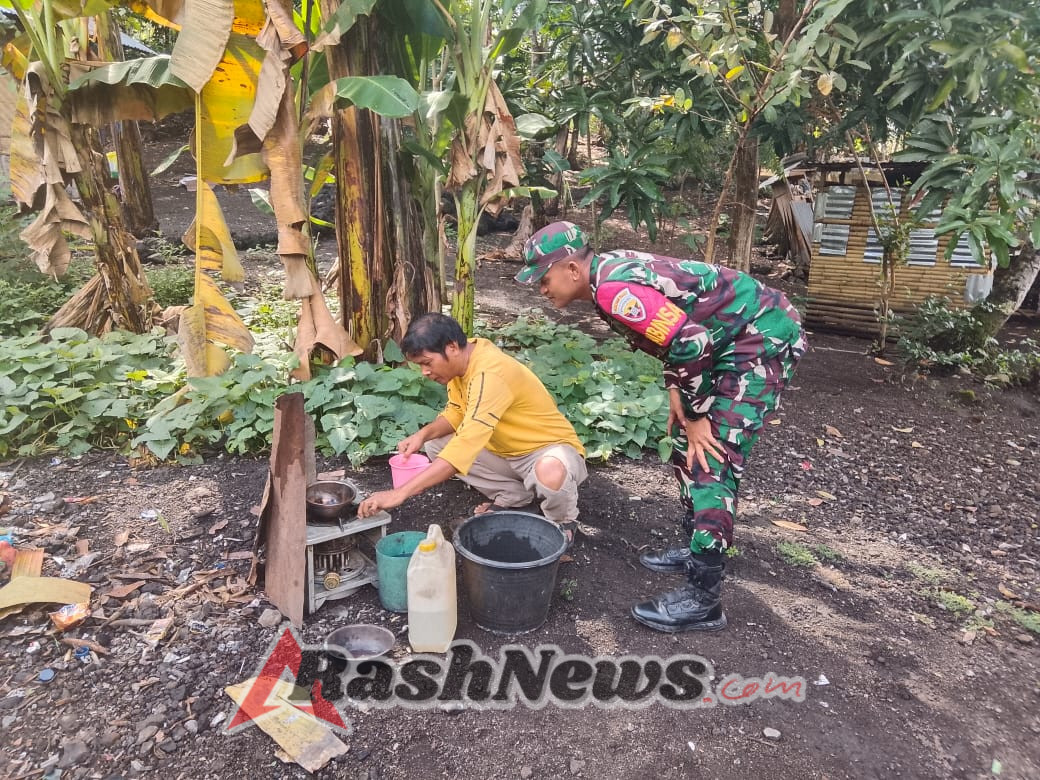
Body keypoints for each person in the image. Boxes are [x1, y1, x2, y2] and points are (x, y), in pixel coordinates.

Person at [516, 221, 806, 633]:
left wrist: (699, 415)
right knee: (686, 439)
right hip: (726, 341)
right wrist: (676, 389)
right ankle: (695, 543)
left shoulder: (614, 290)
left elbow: (692, 341)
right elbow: (676, 333)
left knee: (712, 457)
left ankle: (703, 599)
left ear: (572, 269)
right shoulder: (605, 276)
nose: (542, 290)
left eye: (544, 279)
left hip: (759, 338)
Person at [356, 313, 588, 545]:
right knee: (436, 444)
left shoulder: (490, 373)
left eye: (427, 363)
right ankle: (515, 496)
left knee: (549, 471)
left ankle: (563, 521)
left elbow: (466, 445)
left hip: (549, 451)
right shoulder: (463, 364)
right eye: (420, 366)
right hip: (506, 453)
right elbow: (457, 412)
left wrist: (399, 493)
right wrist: (422, 435)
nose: (424, 372)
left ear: (452, 347)